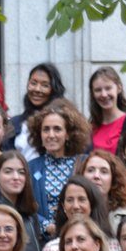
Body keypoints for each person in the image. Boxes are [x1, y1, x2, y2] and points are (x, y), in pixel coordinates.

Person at [28, 99, 91, 238]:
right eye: (46, 129)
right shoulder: (31, 167)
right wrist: (46, 226)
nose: (51, 135)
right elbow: (24, 206)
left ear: (68, 134)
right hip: (44, 241)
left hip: (80, 236)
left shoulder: (86, 163)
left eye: (57, 129)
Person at [39, 176, 114, 251]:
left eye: (81, 199)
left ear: (92, 203)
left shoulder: (112, 246)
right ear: (63, 206)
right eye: (70, 200)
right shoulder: (51, 250)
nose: (75, 206)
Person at [78, 150, 126, 251]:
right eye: (90, 170)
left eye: (104, 171)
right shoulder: (72, 213)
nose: (96, 176)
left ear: (113, 180)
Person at [8, 63, 65, 162]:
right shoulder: (15, 123)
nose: (37, 89)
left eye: (45, 85)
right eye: (33, 83)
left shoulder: (66, 122)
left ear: (54, 89)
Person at [88, 66, 126, 155]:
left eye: (108, 88)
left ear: (119, 88)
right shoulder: (89, 127)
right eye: (98, 90)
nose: (104, 94)